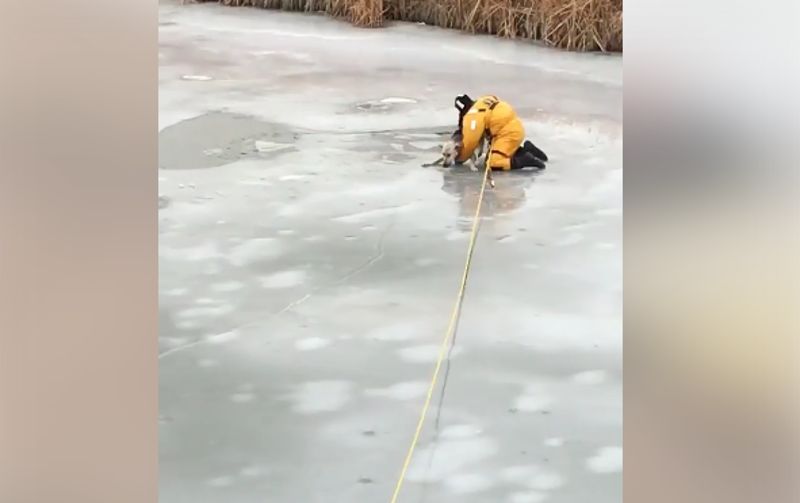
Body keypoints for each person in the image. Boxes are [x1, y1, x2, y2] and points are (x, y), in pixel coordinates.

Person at [452, 94, 548, 170]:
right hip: (514, 129)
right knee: (501, 152)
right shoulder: (482, 102)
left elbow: (470, 143)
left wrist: (458, 157)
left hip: (507, 134)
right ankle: (527, 150)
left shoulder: (473, 117)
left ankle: (525, 160)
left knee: (492, 162)